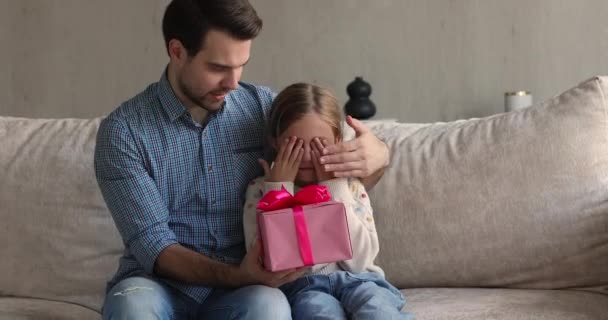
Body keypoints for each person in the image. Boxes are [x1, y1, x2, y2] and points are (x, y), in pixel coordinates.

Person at [94, 0, 390, 319]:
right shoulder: (124, 133)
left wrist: (380, 153)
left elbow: (335, 166)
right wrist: (238, 274)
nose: (233, 83)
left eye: (241, 66)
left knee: (269, 307)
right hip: (157, 286)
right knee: (132, 305)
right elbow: (156, 248)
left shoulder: (262, 107)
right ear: (177, 51)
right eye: (218, 68)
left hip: (245, 293)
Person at [243, 83, 412, 320]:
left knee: (378, 311)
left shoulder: (350, 185)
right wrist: (279, 190)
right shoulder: (260, 191)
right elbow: (274, 266)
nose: (306, 156)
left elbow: (360, 261)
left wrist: (334, 189)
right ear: (275, 141)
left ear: (337, 139)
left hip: (361, 280)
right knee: (318, 312)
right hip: (305, 287)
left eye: (318, 144)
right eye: (295, 144)